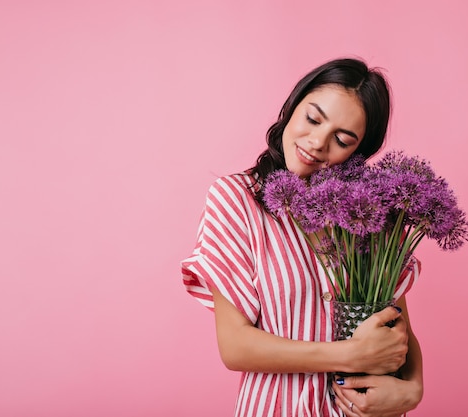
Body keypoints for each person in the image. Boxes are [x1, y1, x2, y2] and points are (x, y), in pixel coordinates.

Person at [181, 58, 423, 417]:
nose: (317, 143)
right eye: (313, 119)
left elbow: (396, 326)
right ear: (293, 107)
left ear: (358, 151)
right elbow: (235, 346)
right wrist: (349, 355)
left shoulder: (368, 213)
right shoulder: (237, 199)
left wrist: (412, 391)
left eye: (342, 140)